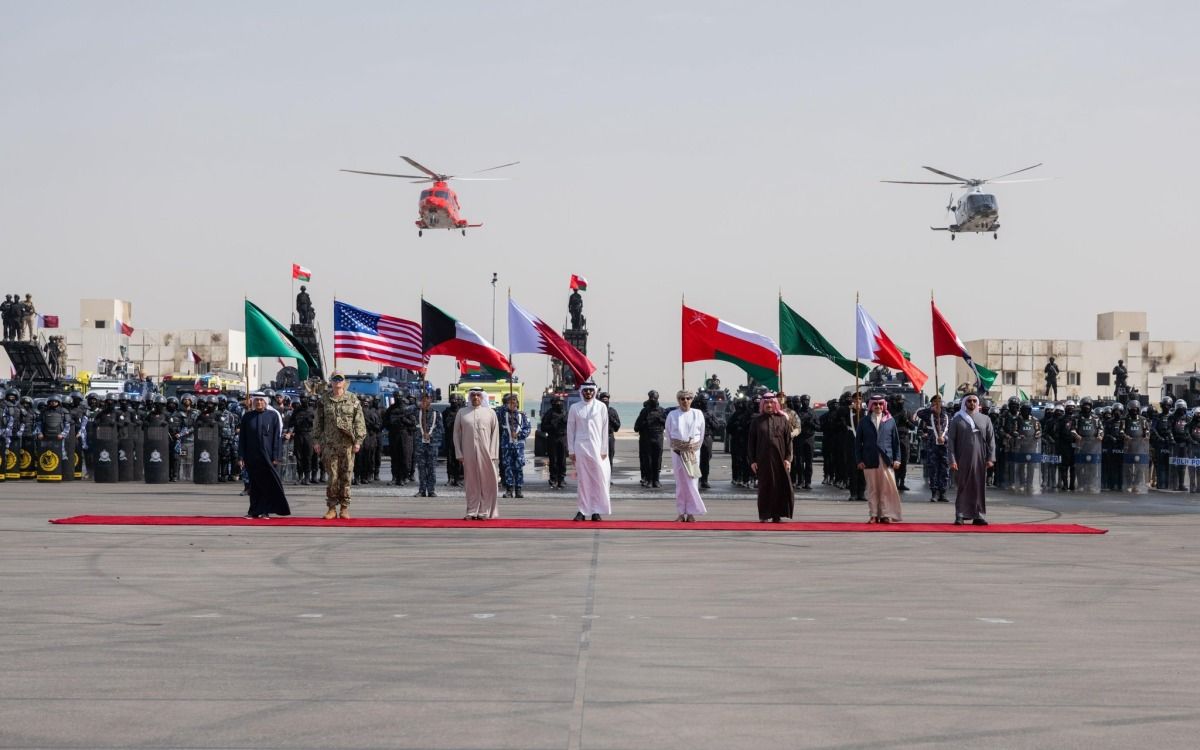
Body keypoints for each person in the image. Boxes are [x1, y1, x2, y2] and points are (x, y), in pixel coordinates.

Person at [313, 371, 366, 520]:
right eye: (334, 379)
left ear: (344, 382)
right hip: (330, 445)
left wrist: (358, 441)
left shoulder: (352, 399)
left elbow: (359, 421)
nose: (337, 382)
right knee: (332, 476)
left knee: (346, 476)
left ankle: (344, 507)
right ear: (331, 382)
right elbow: (318, 422)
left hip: (347, 445)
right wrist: (316, 441)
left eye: (340, 379)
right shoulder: (324, 400)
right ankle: (331, 508)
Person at [238, 392, 290, 518]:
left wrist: (276, 457)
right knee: (254, 485)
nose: (259, 402)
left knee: (267, 484)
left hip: (268, 457)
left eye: (261, 400)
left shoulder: (273, 416)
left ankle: (266, 511)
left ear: (265, 402)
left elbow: (277, 438)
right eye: (256, 400)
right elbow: (242, 438)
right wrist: (241, 457)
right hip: (252, 456)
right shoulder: (247, 417)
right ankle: (254, 511)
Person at [947, 394, 996, 525]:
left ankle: (978, 515)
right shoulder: (957, 419)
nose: (972, 403)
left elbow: (991, 440)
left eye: (974, 401)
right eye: (969, 401)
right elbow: (951, 441)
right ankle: (960, 514)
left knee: (979, 486)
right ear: (964, 403)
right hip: (962, 458)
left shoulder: (985, 419)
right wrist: (952, 460)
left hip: (980, 457)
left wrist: (991, 458)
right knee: (963, 486)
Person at [854, 394, 903, 523]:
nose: (878, 406)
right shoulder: (864, 421)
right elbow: (858, 443)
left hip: (886, 459)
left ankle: (886, 514)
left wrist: (897, 459)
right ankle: (874, 514)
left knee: (886, 488)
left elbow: (896, 442)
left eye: (880, 404)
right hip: (869, 459)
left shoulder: (890, 420)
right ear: (871, 406)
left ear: (884, 405)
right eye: (875, 404)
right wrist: (859, 460)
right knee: (872, 488)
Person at [454, 388, 500, 519]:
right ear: (470, 397)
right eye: (473, 395)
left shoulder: (490, 413)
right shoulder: (462, 412)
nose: (475, 397)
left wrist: (493, 453)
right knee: (471, 482)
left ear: (482, 397)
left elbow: (495, 434)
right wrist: (459, 452)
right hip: (468, 452)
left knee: (487, 481)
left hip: (487, 453)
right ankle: (471, 511)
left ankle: (484, 511)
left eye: (478, 395)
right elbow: (456, 434)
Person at [568, 381, 611, 521]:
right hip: (580, 448)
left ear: (594, 392)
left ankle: (596, 510)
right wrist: (571, 450)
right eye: (585, 390)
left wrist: (604, 449)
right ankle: (582, 510)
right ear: (581, 392)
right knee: (583, 480)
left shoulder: (601, 407)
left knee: (598, 479)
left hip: (597, 448)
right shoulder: (575, 408)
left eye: (590, 390)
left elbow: (605, 429)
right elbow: (570, 430)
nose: (588, 393)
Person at [748, 393, 793, 522]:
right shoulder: (757, 421)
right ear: (763, 405)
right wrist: (752, 461)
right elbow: (751, 443)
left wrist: (788, 459)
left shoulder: (783, 419)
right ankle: (764, 515)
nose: (769, 405)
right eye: (766, 403)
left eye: (771, 403)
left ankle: (776, 515)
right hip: (763, 460)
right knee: (765, 487)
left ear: (775, 404)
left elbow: (788, 442)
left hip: (780, 460)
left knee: (779, 487)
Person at [666, 389, 706, 522]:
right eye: (682, 399)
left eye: (688, 398)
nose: (685, 401)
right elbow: (669, 434)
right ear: (678, 400)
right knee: (680, 482)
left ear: (692, 400)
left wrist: (693, 447)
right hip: (677, 452)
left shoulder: (698, 414)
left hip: (693, 453)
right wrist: (677, 447)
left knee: (692, 482)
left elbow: (701, 434)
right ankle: (680, 512)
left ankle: (691, 512)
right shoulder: (672, 415)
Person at [498, 393, 531, 498]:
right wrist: (506, 404)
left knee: (518, 467)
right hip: (506, 446)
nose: (512, 404)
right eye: (510, 402)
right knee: (507, 467)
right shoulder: (503, 414)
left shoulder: (522, 415)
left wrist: (519, 435)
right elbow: (499, 411)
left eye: (514, 401)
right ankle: (509, 490)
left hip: (518, 446)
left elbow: (527, 429)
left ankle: (518, 490)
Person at [633, 390, 665, 488]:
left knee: (657, 459)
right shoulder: (644, 411)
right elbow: (636, 427)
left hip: (658, 438)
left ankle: (656, 479)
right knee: (648, 460)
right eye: (651, 397)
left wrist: (660, 420)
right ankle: (649, 479)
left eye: (654, 398)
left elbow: (668, 424)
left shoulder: (662, 411)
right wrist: (645, 423)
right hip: (647, 438)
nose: (653, 399)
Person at [414, 392, 443, 498]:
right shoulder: (417, 413)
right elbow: (406, 412)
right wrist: (416, 406)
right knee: (421, 468)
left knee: (431, 468)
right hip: (420, 445)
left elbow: (440, 430)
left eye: (427, 398)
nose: (425, 401)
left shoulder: (436, 414)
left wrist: (431, 435)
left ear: (430, 400)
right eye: (423, 399)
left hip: (432, 445)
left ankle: (431, 490)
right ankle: (422, 490)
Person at [540, 395, 568, 488]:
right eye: (557, 402)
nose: (559, 404)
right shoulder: (549, 413)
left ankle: (561, 479)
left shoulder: (565, 413)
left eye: (561, 402)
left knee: (562, 460)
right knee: (553, 460)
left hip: (563, 438)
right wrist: (553, 426)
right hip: (552, 438)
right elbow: (543, 427)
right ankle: (553, 478)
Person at [598, 391, 620, 476]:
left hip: (609, 437)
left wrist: (610, 417)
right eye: (603, 400)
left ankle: (608, 477)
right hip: (598, 438)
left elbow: (617, 427)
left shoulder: (612, 411)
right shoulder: (596, 411)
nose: (605, 401)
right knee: (598, 459)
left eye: (606, 400)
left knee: (609, 458)